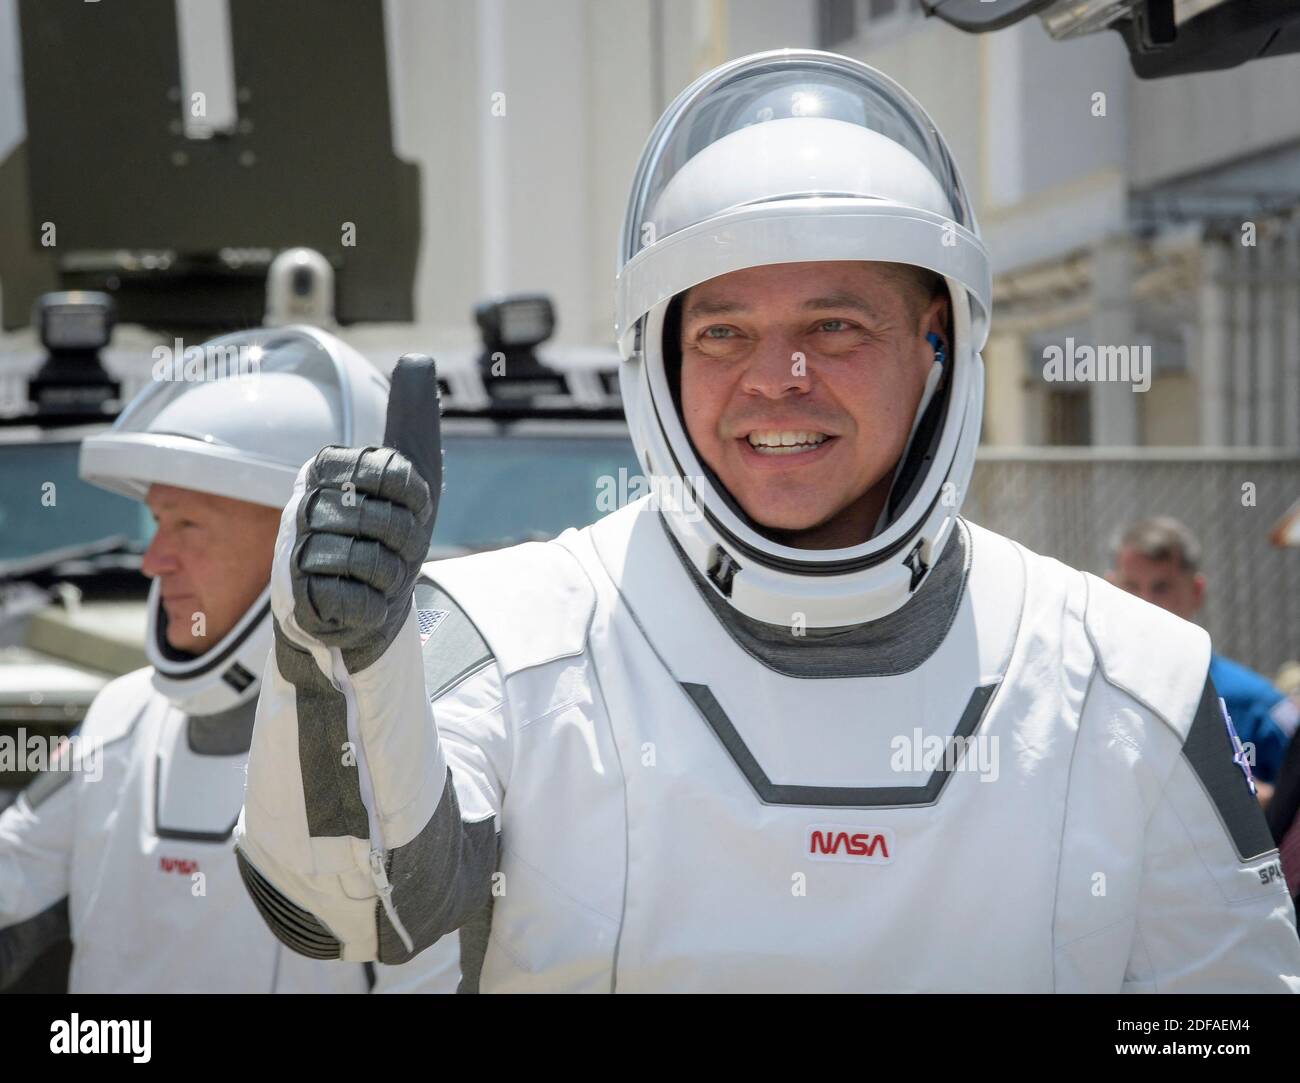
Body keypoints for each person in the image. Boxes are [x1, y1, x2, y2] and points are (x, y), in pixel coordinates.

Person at [235, 50, 1300, 991]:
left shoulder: (1132, 678)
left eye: (834, 326)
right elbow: (350, 913)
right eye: (724, 332)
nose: (777, 381)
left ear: (938, 341)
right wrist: (331, 667)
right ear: (659, 356)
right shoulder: (507, 636)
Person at [0, 326, 459, 992]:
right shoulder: (121, 718)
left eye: (187, 524)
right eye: (156, 523)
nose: (153, 561)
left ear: (295, 540)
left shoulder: (401, 756)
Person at [1107, 516, 1296, 796]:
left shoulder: (1258, 705)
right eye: (1131, 586)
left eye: (1161, 588)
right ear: (1107, 589)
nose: (1143, 603)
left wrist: (1245, 800)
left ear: (1196, 592)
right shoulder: (1088, 692)